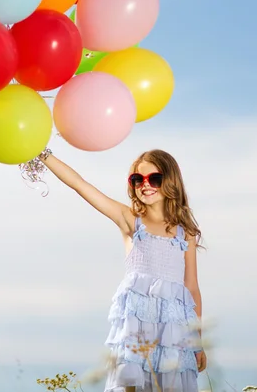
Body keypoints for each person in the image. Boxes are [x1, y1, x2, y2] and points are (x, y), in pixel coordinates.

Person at [37, 147, 205, 392]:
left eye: (154, 179)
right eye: (137, 180)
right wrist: (42, 154)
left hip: (174, 332)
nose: (144, 185)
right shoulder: (129, 219)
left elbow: (192, 288)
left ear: (171, 180)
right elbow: (80, 185)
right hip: (136, 330)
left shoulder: (185, 231)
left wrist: (197, 342)